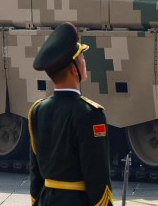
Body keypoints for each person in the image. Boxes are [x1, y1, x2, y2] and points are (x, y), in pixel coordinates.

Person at [28, 22, 112, 206]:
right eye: (82, 57)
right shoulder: (90, 114)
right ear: (74, 69)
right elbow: (97, 175)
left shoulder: (37, 110)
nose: (85, 62)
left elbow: (35, 174)